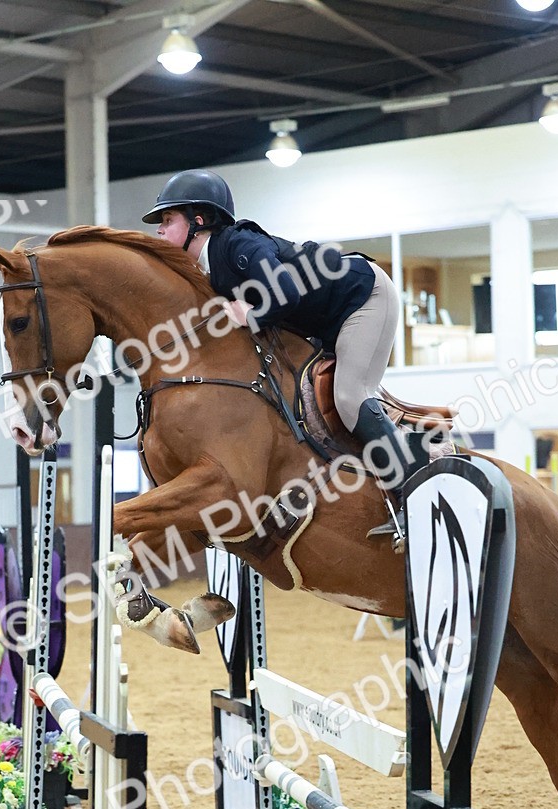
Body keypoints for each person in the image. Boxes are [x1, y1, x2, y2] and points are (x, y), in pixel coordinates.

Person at [142, 168, 418, 539]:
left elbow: (284, 292)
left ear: (199, 220)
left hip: (362, 298)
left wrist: (249, 313)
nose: (159, 229)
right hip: (326, 320)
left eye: (167, 219)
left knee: (350, 397)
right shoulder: (206, 270)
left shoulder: (237, 245)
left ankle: (413, 496)